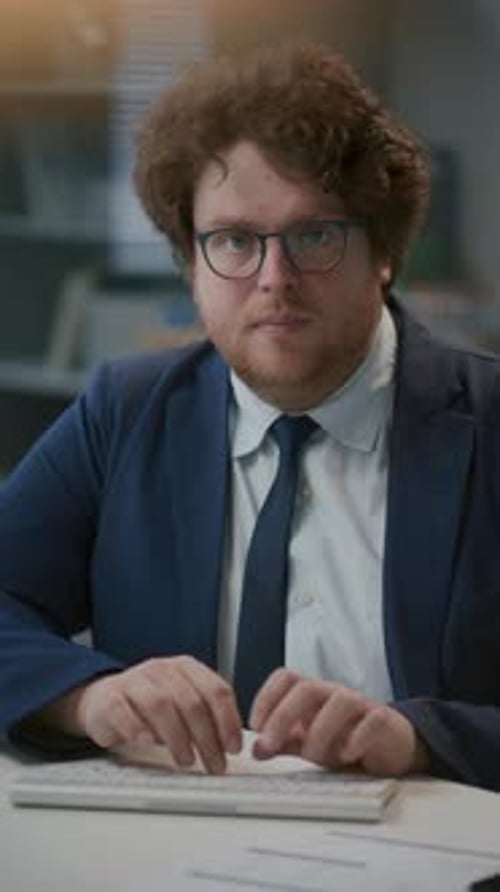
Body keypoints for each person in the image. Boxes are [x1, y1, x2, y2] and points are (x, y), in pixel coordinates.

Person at [1, 39, 500, 791]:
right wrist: (87, 696)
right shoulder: (123, 412)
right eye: (235, 240)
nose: (275, 279)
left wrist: (420, 737)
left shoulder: (489, 423)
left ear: (386, 252)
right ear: (191, 261)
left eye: (315, 236)